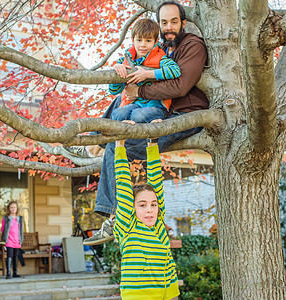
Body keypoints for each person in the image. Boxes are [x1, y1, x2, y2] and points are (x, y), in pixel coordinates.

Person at [83, 0, 209, 246]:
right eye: (164, 23)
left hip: (185, 116)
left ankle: (115, 215)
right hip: (162, 113)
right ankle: (96, 141)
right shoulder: (160, 47)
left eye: (174, 22)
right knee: (119, 126)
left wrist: (140, 90)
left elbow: (180, 85)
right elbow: (128, 88)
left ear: (184, 23)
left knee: (118, 146)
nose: (169, 27)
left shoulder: (193, 45)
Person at [113, 123, 179, 300]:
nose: (150, 210)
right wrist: (120, 144)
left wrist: (152, 142)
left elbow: (157, 181)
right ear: (132, 208)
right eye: (142, 205)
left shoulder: (158, 225)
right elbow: (123, 187)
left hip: (170, 294)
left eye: (153, 204)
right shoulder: (127, 226)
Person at [109, 18, 181, 124]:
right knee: (118, 113)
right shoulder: (125, 60)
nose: (143, 44)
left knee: (138, 115)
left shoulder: (160, 57)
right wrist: (117, 73)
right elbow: (114, 91)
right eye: (139, 40)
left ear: (155, 41)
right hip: (134, 103)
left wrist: (147, 74)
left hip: (156, 105)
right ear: (133, 40)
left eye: (148, 40)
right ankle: (124, 134)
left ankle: (152, 129)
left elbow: (175, 70)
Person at [1, 200, 24, 279]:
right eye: (11, 207)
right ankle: (8, 273)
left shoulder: (20, 218)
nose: (13, 209)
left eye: (14, 207)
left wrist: (21, 239)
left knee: (15, 256)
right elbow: (3, 228)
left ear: (17, 209)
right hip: (9, 240)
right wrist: (5, 238)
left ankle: (15, 272)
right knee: (9, 256)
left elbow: (21, 228)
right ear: (9, 209)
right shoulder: (6, 218)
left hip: (17, 240)